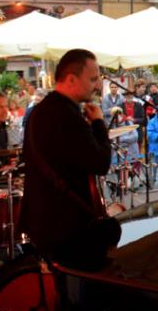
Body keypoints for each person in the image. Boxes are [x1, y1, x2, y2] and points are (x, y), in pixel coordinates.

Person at [19, 49, 118, 269]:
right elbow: (101, 163)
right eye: (92, 79)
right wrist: (99, 124)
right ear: (72, 79)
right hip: (67, 226)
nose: (96, 85)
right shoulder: (66, 117)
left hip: (43, 220)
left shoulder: (39, 112)